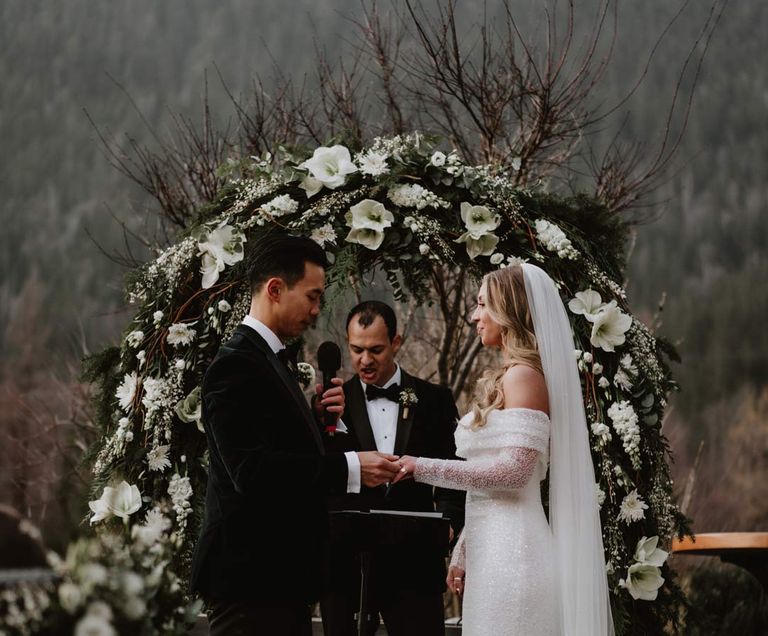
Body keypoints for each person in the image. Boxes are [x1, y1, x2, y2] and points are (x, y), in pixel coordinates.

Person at [190, 233, 403, 636]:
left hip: (278, 581)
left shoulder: (266, 358)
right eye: (312, 296)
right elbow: (252, 473)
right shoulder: (236, 364)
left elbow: (276, 448)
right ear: (275, 289)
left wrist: (316, 420)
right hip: (250, 582)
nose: (317, 310)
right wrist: (351, 467)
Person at [396, 264, 614, 635]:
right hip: (493, 556)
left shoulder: (524, 377)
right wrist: (465, 547)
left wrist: (421, 468)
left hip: (516, 559)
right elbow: (490, 482)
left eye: (482, 304)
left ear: (508, 311)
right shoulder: (513, 374)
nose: (474, 316)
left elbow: (514, 474)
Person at [320, 301, 465, 636]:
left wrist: (447, 525)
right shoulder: (332, 403)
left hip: (414, 563)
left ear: (396, 343)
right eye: (356, 350)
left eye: (376, 350)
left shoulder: (434, 400)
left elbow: (453, 471)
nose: (365, 360)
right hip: (346, 565)